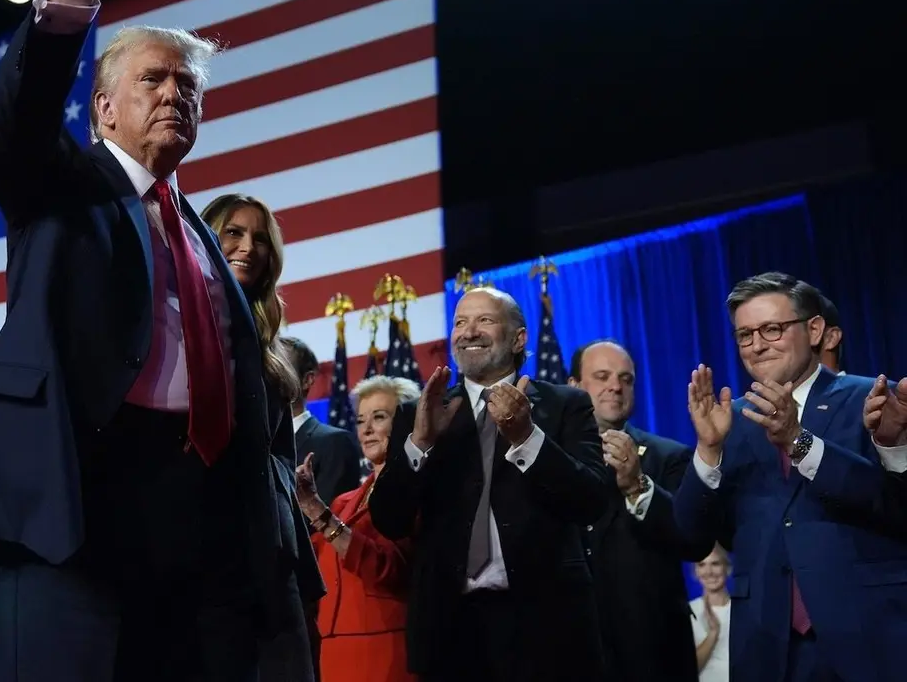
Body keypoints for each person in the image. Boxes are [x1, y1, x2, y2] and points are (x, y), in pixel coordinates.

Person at [0, 0, 310, 682]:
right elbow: (11, 132)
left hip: (198, 516)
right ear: (104, 106)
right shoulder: (65, 188)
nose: (175, 95)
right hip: (79, 496)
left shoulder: (203, 239)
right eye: (153, 80)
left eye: (188, 86)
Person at [368, 287, 611, 682]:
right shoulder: (420, 413)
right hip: (452, 634)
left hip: (547, 631)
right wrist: (420, 444)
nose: (468, 332)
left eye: (484, 320)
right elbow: (390, 520)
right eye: (460, 322)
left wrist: (527, 438)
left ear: (519, 338)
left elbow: (592, 500)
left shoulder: (567, 405)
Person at [677, 272, 907, 682]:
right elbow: (690, 538)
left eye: (772, 329)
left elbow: (894, 505)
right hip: (767, 646)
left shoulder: (868, 400)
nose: (758, 345)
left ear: (815, 329)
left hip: (865, 638)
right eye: (745, 335)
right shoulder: (730, 419)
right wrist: (708, 450)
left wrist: (796, 440)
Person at [200, 193, 322, 682]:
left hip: (270, 555)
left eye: (259, 238)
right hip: (203, 549)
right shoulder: (178, 322)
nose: (248, 247)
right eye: (234, 232)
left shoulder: (269, 346)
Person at [567, 339, 710, 682]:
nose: (615, 386)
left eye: (626, 379)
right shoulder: (550, 459)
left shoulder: (669, 456)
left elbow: (691, 540)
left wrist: (637, 485)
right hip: (570, 648)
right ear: (573, 386)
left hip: (650, 651)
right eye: (601, 376)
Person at [297, 375, 417, 682]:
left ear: (405, 423)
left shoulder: (414, 490)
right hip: (334, 644)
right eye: (361, 419)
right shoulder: (343, 502)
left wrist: (318, 513)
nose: (366, 429)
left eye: (379, 417)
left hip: (383, 642)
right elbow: (314, 565)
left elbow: (389, 568)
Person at [281, 336, 363, 504]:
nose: (270, 377)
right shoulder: (256, 445)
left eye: (281, 368)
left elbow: (333, 518)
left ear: (307, 380)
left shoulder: (336, 443)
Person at [689, 546, 732, 682]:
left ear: (727, 568)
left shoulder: (743, 610)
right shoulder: (689, 612)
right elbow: (685, 670)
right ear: (696, 571)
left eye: (715, 564)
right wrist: (713, 634)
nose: (708, 572)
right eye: (701, 565)